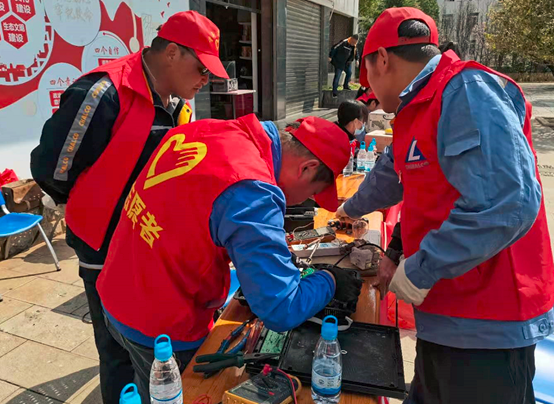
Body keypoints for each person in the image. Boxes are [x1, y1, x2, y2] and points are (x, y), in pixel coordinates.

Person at [336, 7, 554, 404]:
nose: (371, 94)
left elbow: (508, 203)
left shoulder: (465, 91)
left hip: (488, 321)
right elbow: (399, 179)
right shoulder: (418, 107)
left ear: (381, 59)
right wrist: (352, 213)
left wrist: (421, 268)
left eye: (366, 74)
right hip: (446, 314)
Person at [30, 11, 229, 404]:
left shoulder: (177, 103)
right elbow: (51, 167)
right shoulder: (106, 92)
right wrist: (100, 202)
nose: (206, 80)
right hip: (105, 247)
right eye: (202, 68)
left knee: (150, 347)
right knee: (116, 350)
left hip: (150, 243)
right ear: (171, 52)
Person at [96, 115, 363, 401]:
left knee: (131, 387)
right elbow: (280, 309)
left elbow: (193, 210)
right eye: (311, 194)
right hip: (160, 325)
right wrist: (330, 280)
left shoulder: (207, 129)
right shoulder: (252, 188)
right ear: (307, 168)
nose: (300, 203)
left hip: (115, 289)